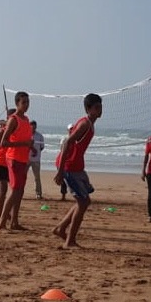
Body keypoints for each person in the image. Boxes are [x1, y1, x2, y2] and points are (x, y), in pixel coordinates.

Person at [53, 93, 103, 249]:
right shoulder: (85, 124)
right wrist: (61, 171)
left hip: (77, 166)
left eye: (100, 107)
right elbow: (67, 142)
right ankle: (69, 241)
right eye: (96, 107)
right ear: (88, 109)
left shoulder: (90, 124)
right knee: (82, 203)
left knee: (84, 201)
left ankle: (61, 229)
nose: (100, 110)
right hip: (69, 166)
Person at [0, 92, 34, 231]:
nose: (26, 105)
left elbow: (25, 139)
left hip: (23, 159)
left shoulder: (26, 119)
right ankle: (1, 223)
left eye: (28, 102)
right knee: (14, 191)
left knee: (20, 191)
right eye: (23, 102)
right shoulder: (14, 119)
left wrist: (30, 146)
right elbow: (4, 142)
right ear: (17, 104)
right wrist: (23, 144)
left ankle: (14, 221)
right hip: (13, 159)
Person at [29, 120, 45, 200]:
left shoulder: (39, 136)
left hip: (36, 159)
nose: (33, 128)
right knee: (22, 176)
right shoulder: (26, 134)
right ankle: (19, 192)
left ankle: (38, 193)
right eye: (32, 126)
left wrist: (36, 152)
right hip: (26, 159)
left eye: (34, 127)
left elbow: (42, 147)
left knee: (37, 177)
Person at [57, 124, 72, 201]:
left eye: (72, 129)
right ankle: (63, 195)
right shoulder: (65, 139)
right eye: (70, 129)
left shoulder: (77, 138)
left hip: (71, 160)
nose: (71, 130)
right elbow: (62, 150)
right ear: (68, 130)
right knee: (63, 179)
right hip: (64, 160)